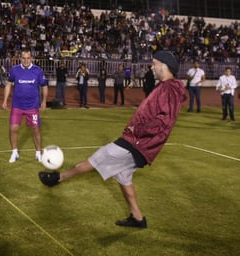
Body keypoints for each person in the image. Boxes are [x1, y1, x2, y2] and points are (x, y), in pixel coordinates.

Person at [38, 51, 186, 229]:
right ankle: (138, 218)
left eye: (154, 63)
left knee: (95, 159)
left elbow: (164, 121)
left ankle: (56, 178)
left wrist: (137, 129)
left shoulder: (168, 88)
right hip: (139, 142)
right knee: (124, 177)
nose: (152, 67)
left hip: (138, 142)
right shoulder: (167, 87)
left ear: (164, 65)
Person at [2, 49, 49, 163]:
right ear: (20, 58)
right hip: (17, 106)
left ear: (31, 58)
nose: (26, 60)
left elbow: (44, 86)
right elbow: (8, 84)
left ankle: (38, 152)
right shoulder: (14, 70)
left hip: (32, 107)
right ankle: (14, 152)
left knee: (35, 129)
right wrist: (5, 100)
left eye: (28, 58)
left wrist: (44, 101)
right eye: (24, 58)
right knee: (13, 128)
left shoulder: (37, 71)